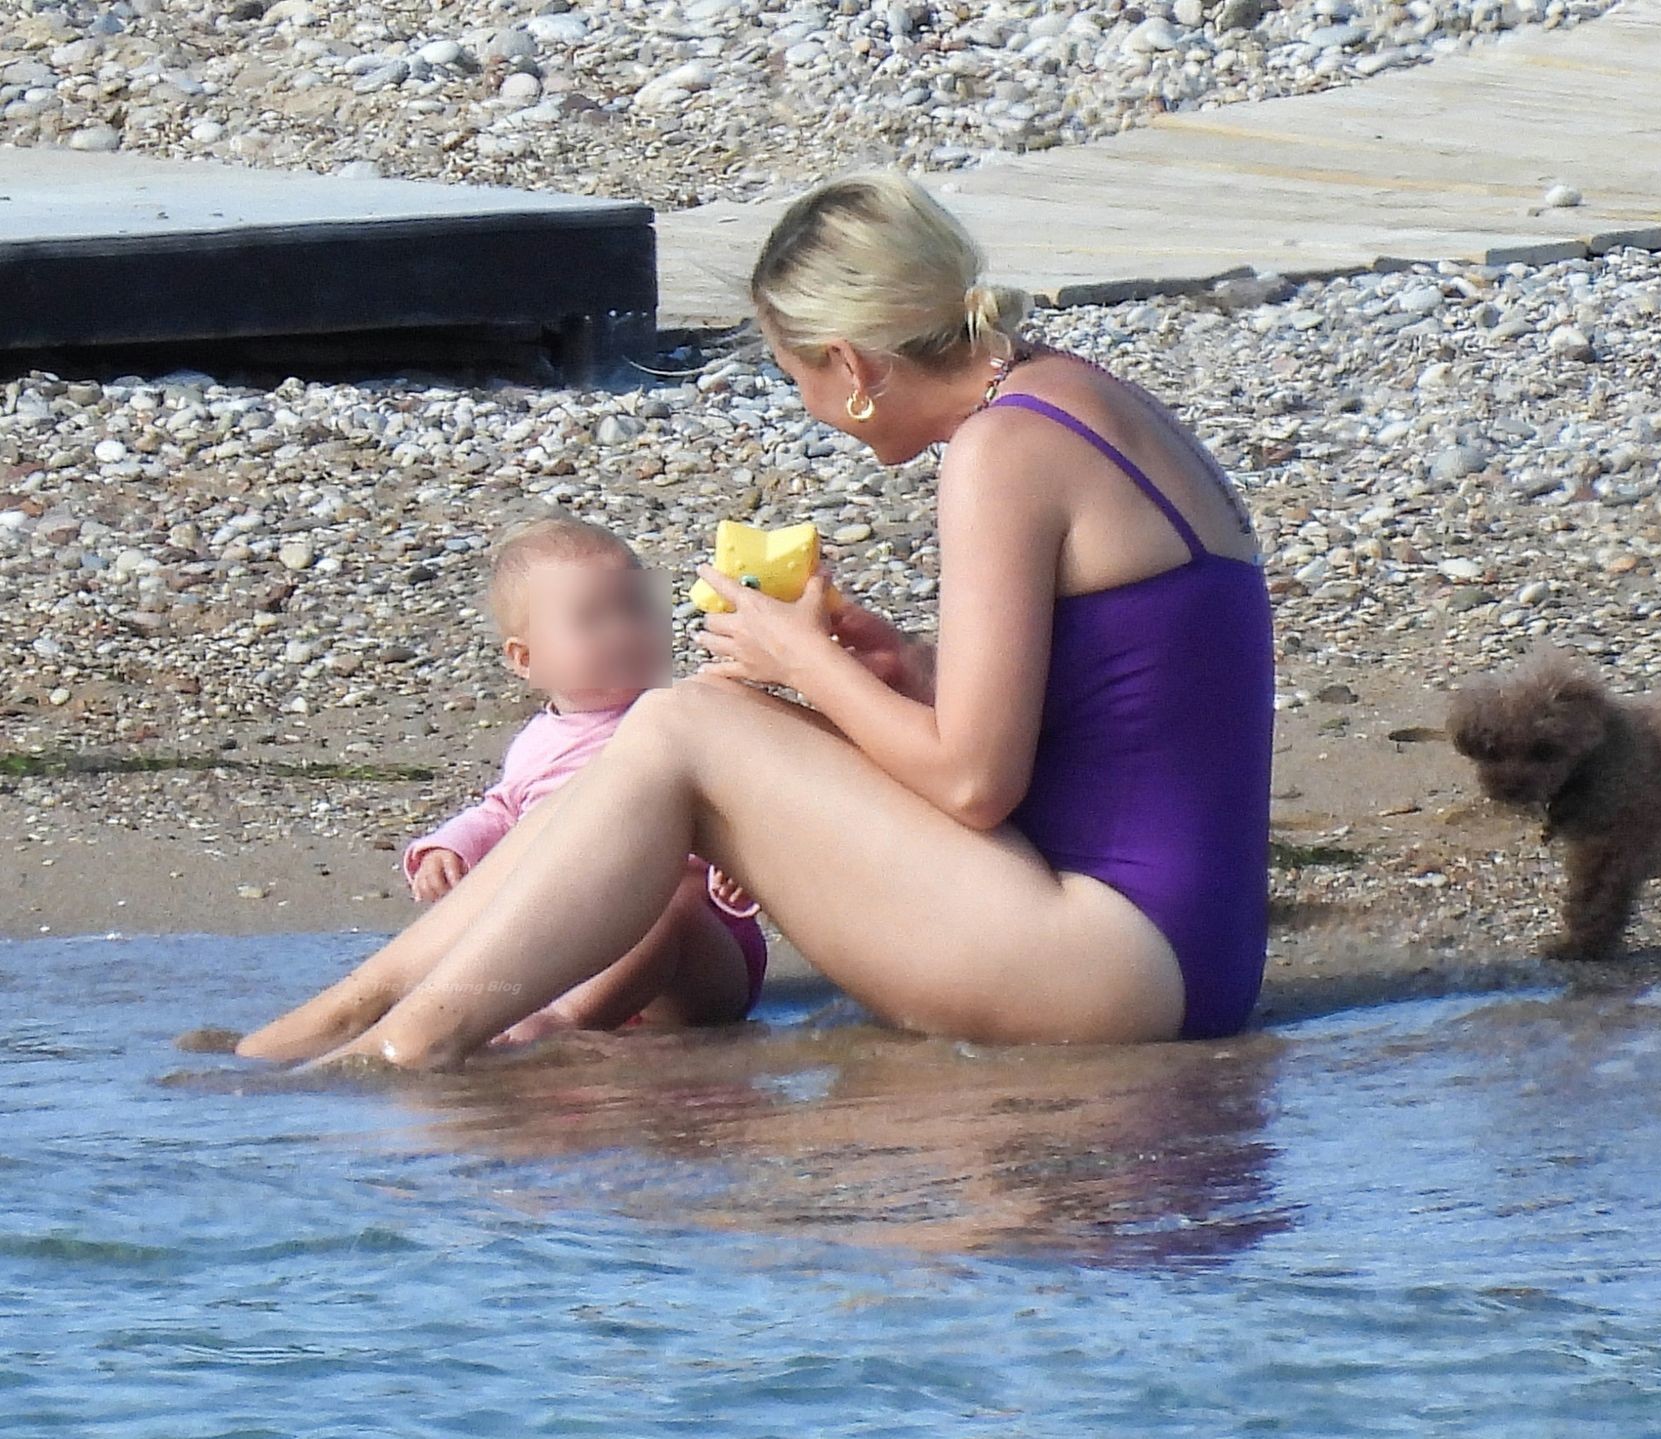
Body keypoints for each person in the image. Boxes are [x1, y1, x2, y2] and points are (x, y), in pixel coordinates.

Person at [235, 171, 1275, 1070]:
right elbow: (1124, 707)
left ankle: (409, 1043)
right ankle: (350, 1017)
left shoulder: (1001, 450)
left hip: (1116, 965)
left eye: (797, 378)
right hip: (1183, 954)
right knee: (669, 731)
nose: (811, 407)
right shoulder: (1078, 395)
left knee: (682, 721)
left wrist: (800, 659)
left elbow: (973, 780)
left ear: (853, 367)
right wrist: (907, 664)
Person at [239, 512, 765, 1059]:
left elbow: (742, 803)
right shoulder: (540, 743)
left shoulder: (683, 717)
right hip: (572, 951)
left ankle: (562, 1021)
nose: (623, 631)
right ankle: (414, 1015)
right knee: (496, 922)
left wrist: (741, 862)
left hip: (697, 959)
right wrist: (450, 846)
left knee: (670, 902)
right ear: (525, 659)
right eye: (593, 619)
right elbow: (504, 812)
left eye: (636, 609)